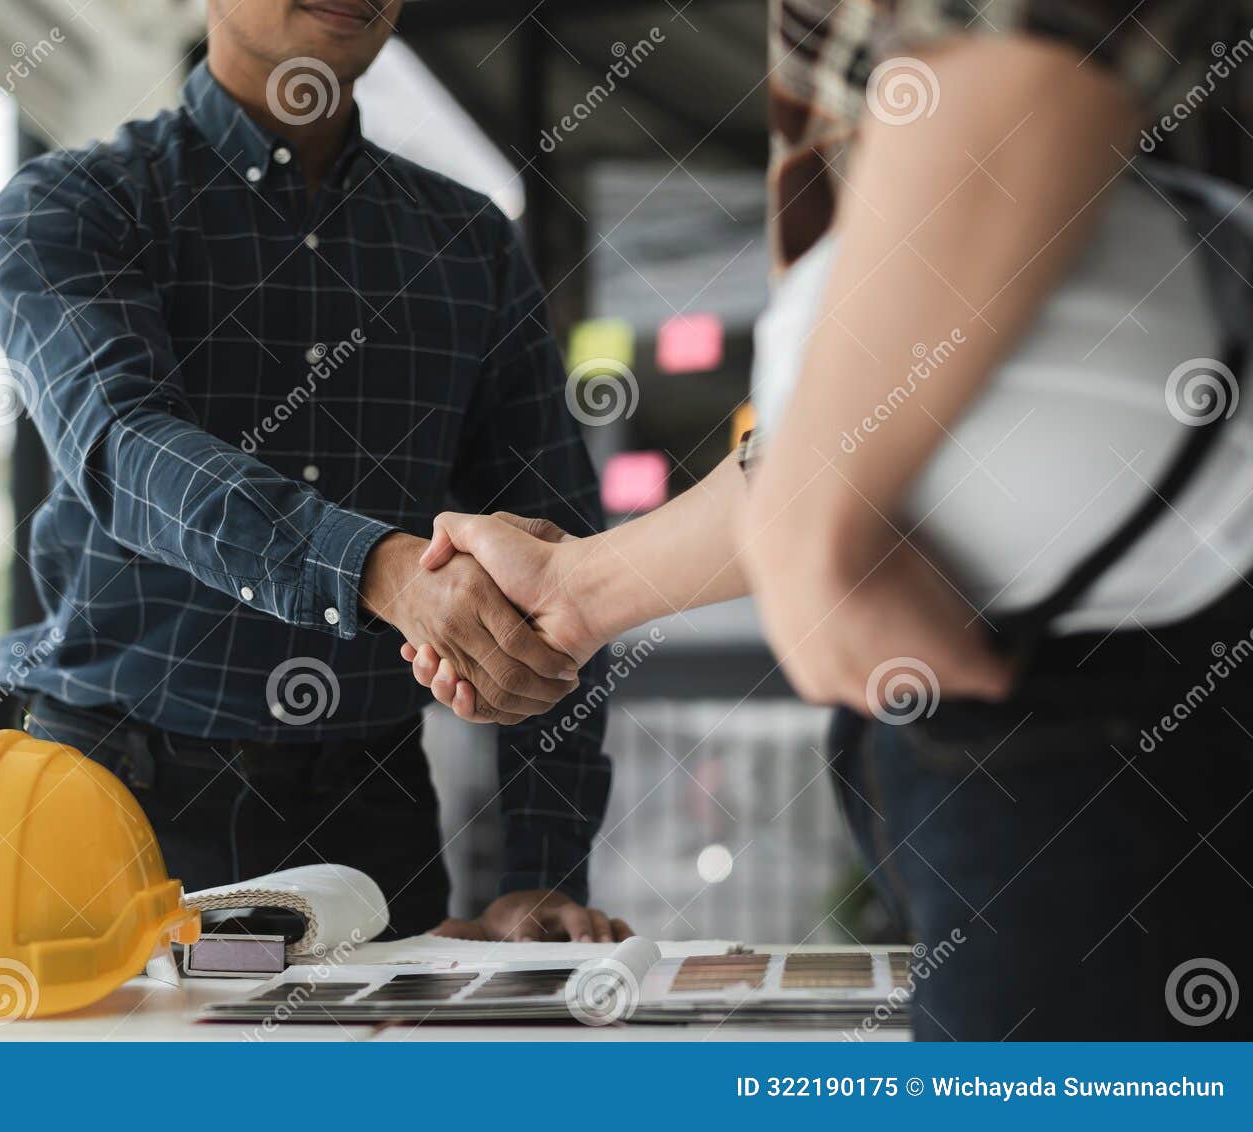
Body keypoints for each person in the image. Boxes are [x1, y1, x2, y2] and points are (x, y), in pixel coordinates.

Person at [403, 1, 1253, 1038]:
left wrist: (812, 523)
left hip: (1112, 700)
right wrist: (582, 590)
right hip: (1033, 699)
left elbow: (1026, 68)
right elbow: (833, 434)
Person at [0, 0, 630, 942]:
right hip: (108, 801)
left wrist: (541, 873)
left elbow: (561, 560)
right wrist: (381, 570)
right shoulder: (73, 207)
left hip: (372, 815)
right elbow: (123, 444)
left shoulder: (467, 246)